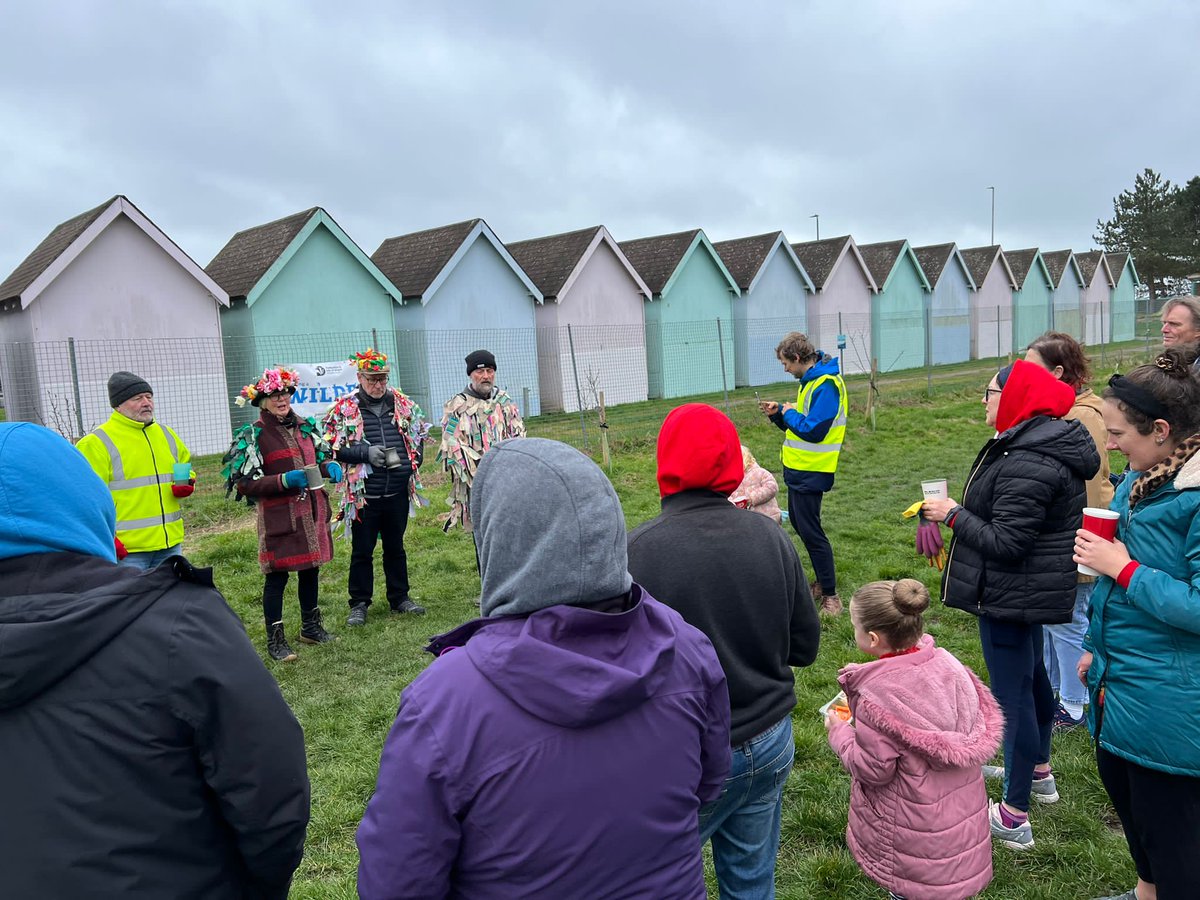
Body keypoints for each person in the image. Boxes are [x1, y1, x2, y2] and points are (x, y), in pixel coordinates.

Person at [356, 438, 730, 899]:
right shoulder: (686, 646)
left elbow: (397, 882)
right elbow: (709, 785)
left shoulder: (444, 703)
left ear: (498, 540)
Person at [0, 422, 310, 899]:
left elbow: (183, 466)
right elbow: (267, 789)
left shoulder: (164, 435)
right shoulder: (179, 624)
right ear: (82, 499)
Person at [627, 403, 821, 899]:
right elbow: (805, 646)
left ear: (665, 461)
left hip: (685, 754)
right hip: (771, 736)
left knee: (656, 882)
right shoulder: (771, 537)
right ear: (731, 462)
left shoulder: (633, 553)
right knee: (752, 882)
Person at [923, 360, 1099, 850]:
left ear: (1017, 396)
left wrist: (952, 514)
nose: (983, 400)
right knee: (1034, 680)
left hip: (1010, 591)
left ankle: (1013, 814)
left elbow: (1007, 542)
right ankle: (1039, 772)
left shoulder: (1029, 458)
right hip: (1023, 591)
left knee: (1011, 698)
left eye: (990, 391)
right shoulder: (1031, 443)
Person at [1074, 348, 1200, 900]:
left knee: (1177, 842)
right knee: (1138, 819)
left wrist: (1123, 568)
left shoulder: (1193, 498)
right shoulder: (1141, 476)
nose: (1109, 443)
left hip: (1171, 706)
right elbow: (1110, 586)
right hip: (1121, 684)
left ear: (1163, 430)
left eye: (1119, 431)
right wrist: (1090, 647)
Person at [825, 579, 1003, 900]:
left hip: (914, 833)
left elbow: (873, 769)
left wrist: (839, 730)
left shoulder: (877, 700)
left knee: (912, 892)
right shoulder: (950, 665)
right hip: (961, 822)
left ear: (873, 638)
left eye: (855, 626)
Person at [1025, 332, 1113, 730]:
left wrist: (1077, 543)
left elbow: (1090, 484)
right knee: (1052, 617)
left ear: (1058, 372)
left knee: (1070, 616)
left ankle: (1074, 705)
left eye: (1032, 365)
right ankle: (1056, 692)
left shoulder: (1082, 415)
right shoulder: (1064, 410)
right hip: (1064, 535)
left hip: (1078, 536)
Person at [225, 366, 343, 661]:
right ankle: (275, 639)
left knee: (311, 570)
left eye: (286, 393)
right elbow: (243, 484)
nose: (282, 399)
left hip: (312, 511)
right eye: (275, 395)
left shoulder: (304, 426)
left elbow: (320, 456)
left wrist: (329, 467)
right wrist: (283, 481)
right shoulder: (255, 435)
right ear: (262, 401)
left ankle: (310, 627)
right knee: (276, 577)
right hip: (281, 517)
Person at [323, 348, 430, 625]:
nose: (378, 384)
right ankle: (359, 603)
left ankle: (400, 598)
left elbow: (417, 441)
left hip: (395, 491)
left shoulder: (403, 404)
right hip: (364, 496)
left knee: (396, 547)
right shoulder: (345, 408)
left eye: (382, 378)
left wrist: (410, 463)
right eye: (372, 379)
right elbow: (333, 448)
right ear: (359, 377)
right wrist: (365, 454)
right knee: (362, 551)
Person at [759, 331, 848, 614]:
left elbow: (814, 430)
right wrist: (779, 415)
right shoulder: (810, 383)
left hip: (812, 471)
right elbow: (799, 426)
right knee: (801, 525)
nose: (785, 369)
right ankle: (823, 582)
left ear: (797, 358)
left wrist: (788, 412)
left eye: (786, 363)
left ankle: (831, 596)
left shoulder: (826, 385)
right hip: (799, 470)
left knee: (811, 531)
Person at [76, 370, 195, 570]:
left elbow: (184, 464)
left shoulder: (166, 434)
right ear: (118, 405)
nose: (146, 403)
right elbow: (84, 499)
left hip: (170, 544)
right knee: (132, 602)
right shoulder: (96, 443)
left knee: (168, 601)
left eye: (149, 397)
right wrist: (105, 539)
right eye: (137, 398)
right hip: (127, 551)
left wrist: (186, 482)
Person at [438, 349, 526, 534]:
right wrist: (479, 473)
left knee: (511, 530)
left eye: (489, 371)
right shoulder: (457, 406)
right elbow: (451, 444)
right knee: (483, 533)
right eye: (480, 371)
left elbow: (519, 437)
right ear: (471, 374)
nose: (485, 376)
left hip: (507, 479)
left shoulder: (505, 403)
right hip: (476, 484)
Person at [730, 443, 782, 523]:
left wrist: (752, 498)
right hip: (746, 521)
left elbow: (772, 487)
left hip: (768, 517)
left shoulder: (759, 472)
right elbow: (727, 494)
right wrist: (732, 503)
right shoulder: (732, 478)